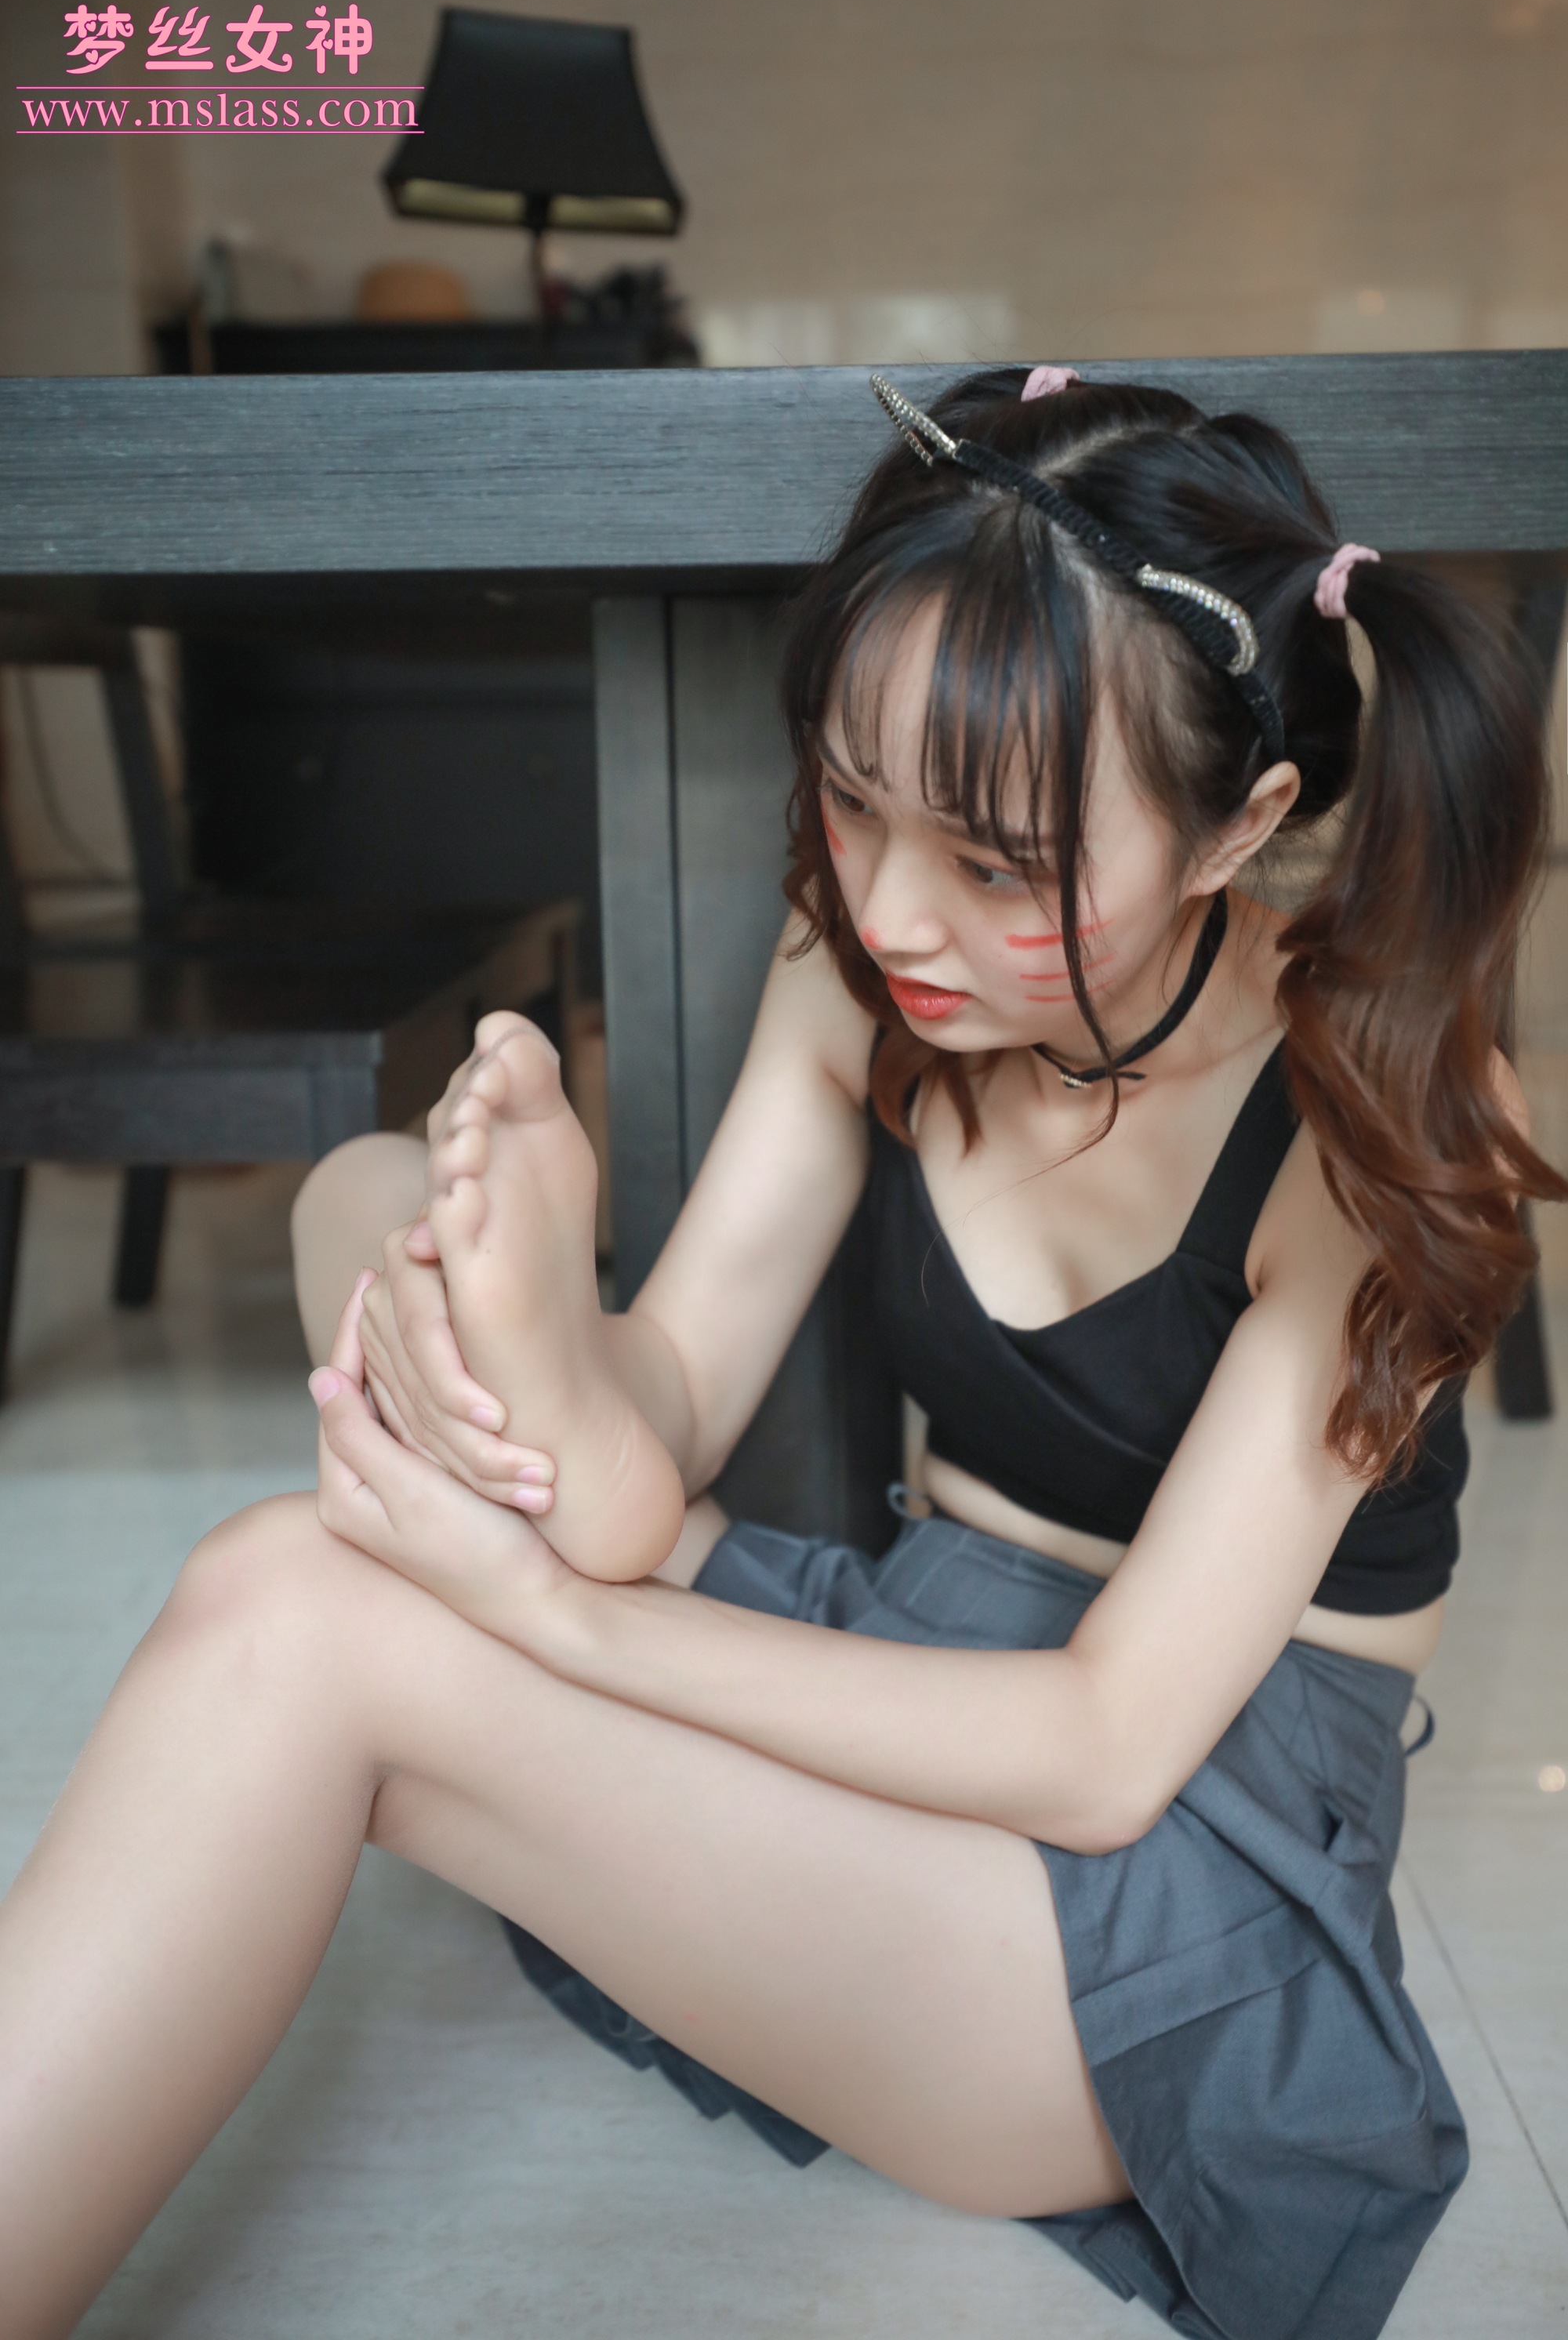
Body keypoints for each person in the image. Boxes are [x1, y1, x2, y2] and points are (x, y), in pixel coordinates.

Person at [0, 367, 1562, 2340]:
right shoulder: (869, 966)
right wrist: (501, 1314)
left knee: (295, 1610)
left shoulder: (1376, 1116)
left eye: (995, 863)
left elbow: (1100, 1753)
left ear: (1235, 828)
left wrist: (557, 1623)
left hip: (1159, 1892)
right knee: (354, 1245)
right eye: (851, 795)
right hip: (889, 1656)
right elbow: (664, 1415)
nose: (892, 906)